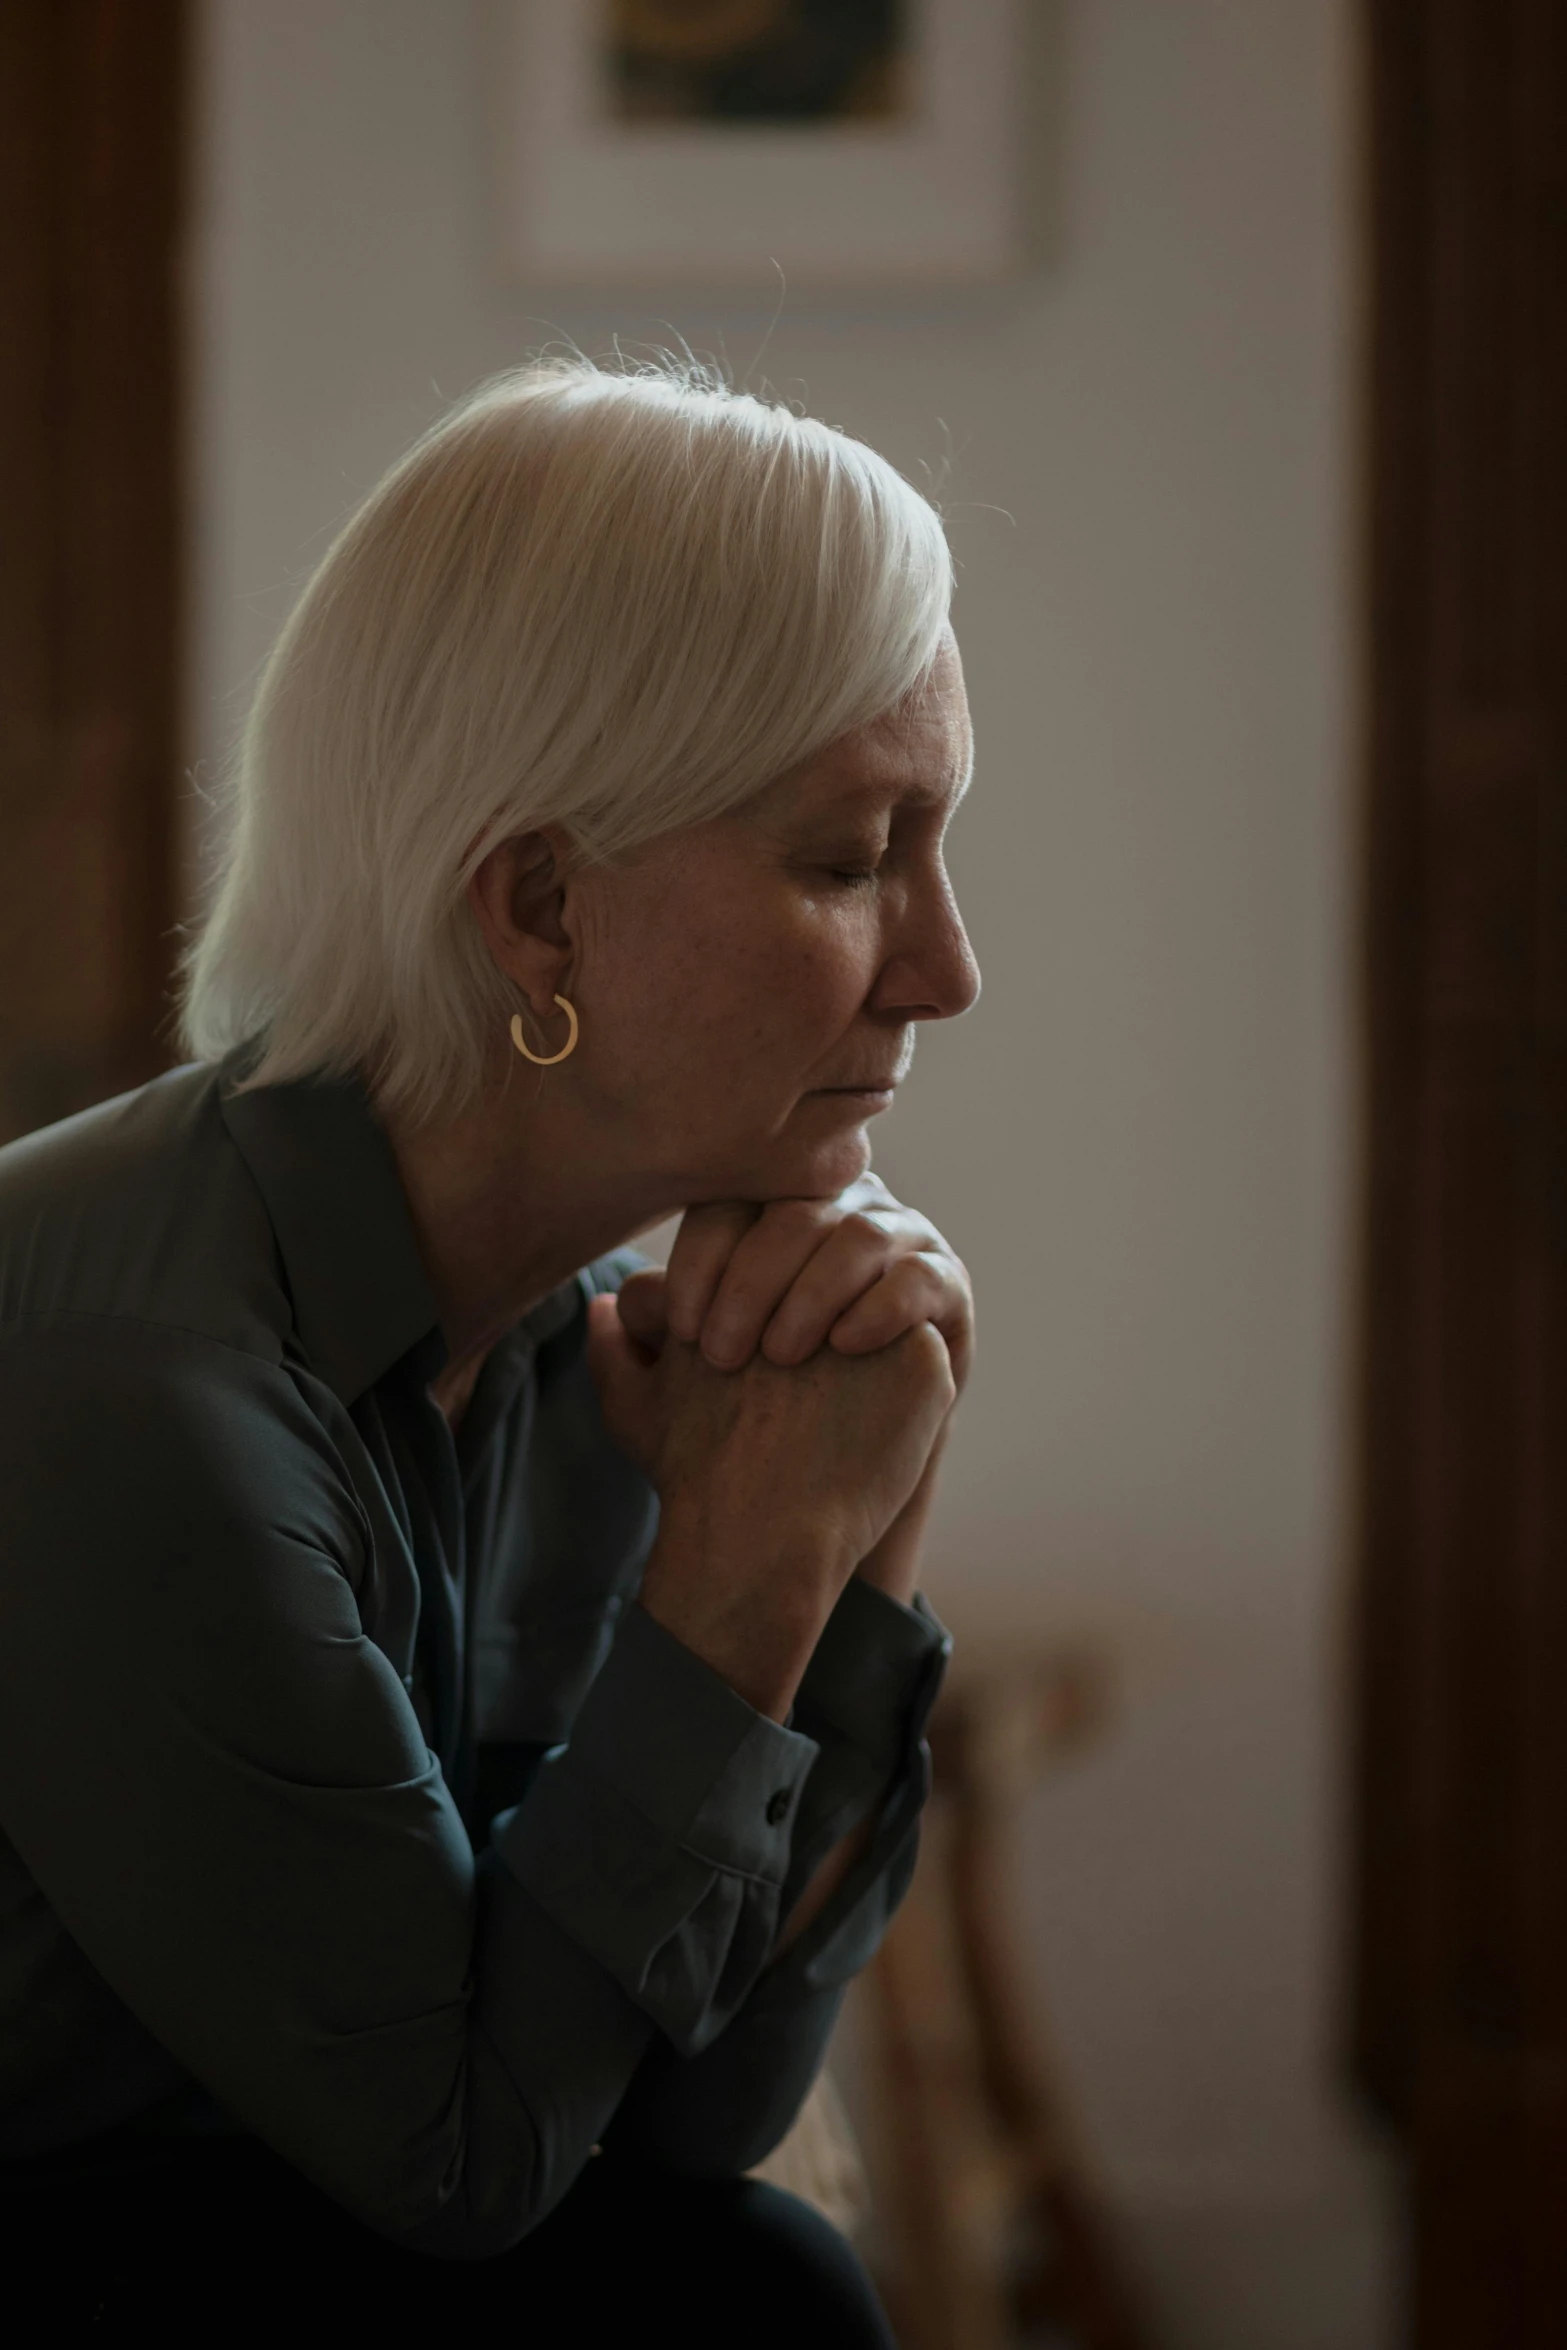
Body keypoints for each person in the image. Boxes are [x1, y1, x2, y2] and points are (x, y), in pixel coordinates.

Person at [0, 356, 980, 2339]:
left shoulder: (571, 1330)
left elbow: (699, 2110)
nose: (949, 968)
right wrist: (743, 1568)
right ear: (541, 908)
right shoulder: (140, 1396)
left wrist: (856, 1529)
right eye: (853, 856)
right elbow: (466, 2161)